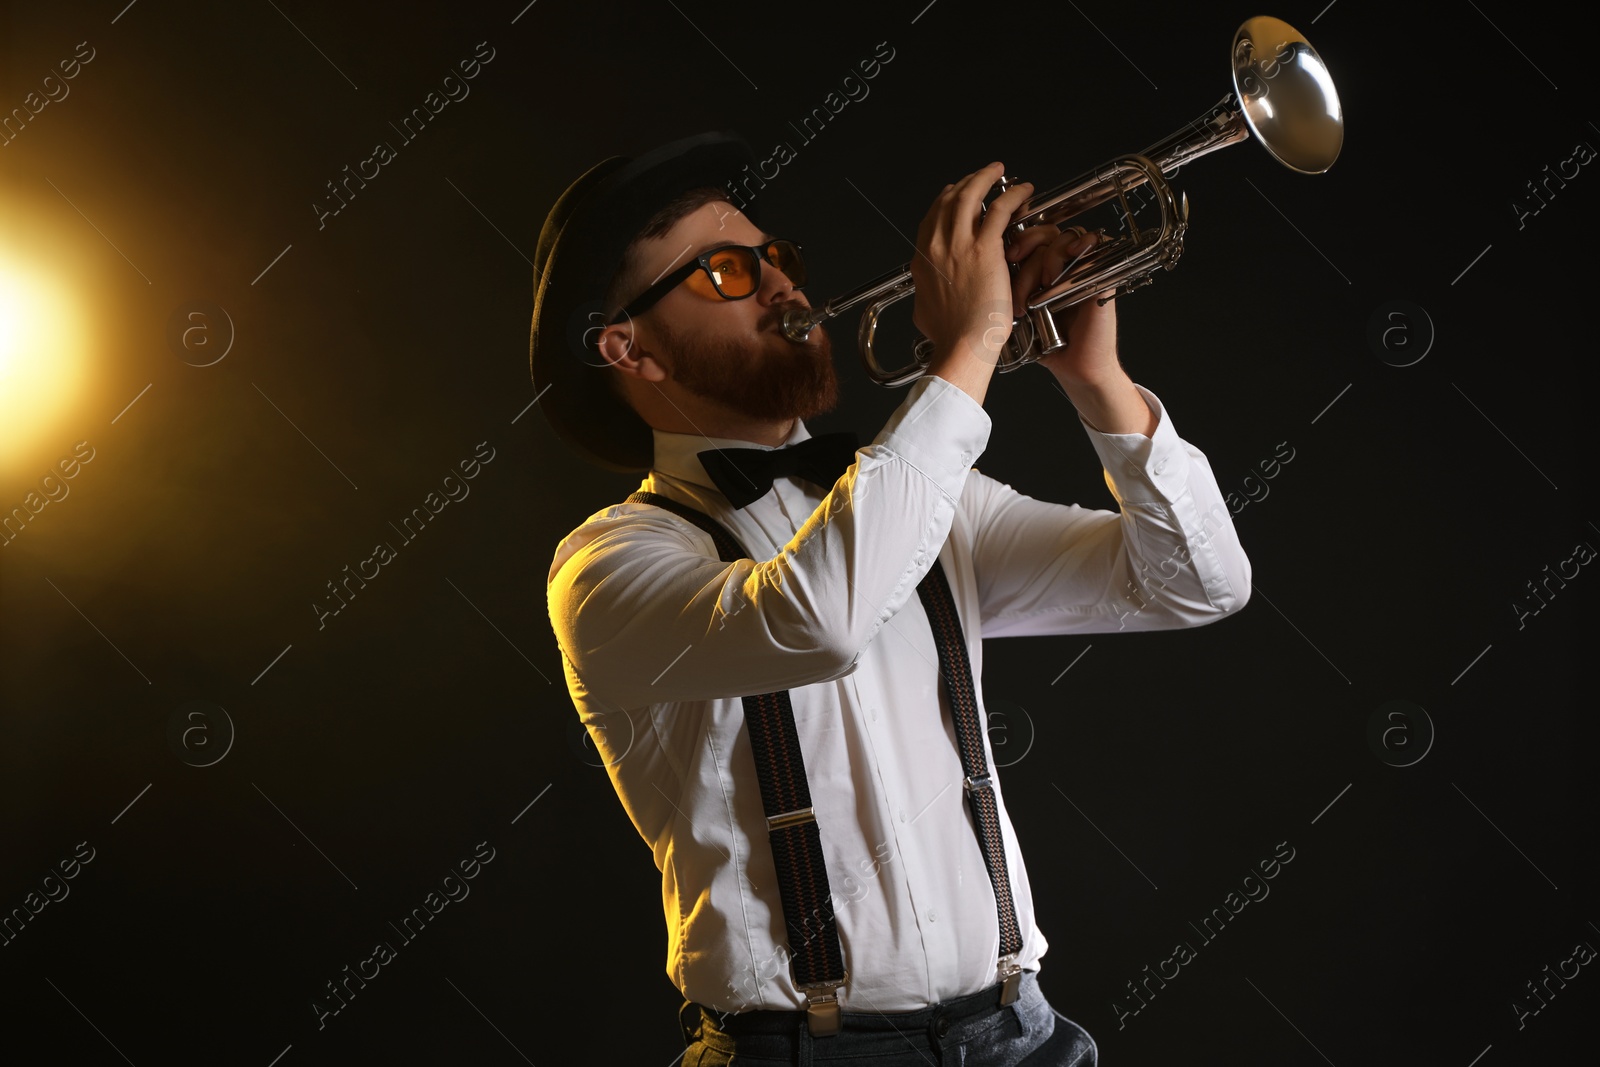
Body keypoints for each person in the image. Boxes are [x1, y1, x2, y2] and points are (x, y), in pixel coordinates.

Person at [534, 131, 1251, 1065]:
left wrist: (1099, 384)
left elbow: (1199, 584)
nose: (784, 285)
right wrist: (977, 341)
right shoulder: (607, 564)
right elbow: (818, 619)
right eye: (723, 273)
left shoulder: (929, 506)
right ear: (629, 348)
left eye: (775, 257)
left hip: (1021, 1033)